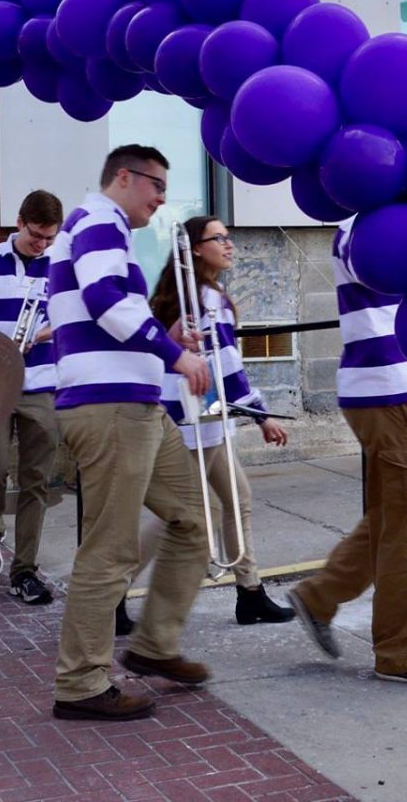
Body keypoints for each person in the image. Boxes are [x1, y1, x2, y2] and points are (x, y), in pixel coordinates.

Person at [49, 145, 215, 722]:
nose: (162, 198)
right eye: (156, 184)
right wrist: (173, 352)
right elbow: (102, 301)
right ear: (125, 176)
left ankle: (154, 647)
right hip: (112, 406)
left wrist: (164, 336)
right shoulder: (100, 221)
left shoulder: (102, 226)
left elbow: (111, 311)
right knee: (111, 548)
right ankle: (81, 683)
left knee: (195, 518)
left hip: (133, 404)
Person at [285, 211, 407, 690]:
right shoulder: (364, 229)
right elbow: (387, 269)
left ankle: (319, 597)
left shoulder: (375, 225)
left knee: (389, 518)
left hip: (388, 389)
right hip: (392, 391)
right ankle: (400, 653)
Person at [145, 215, 294, 626]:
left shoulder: (181, 294)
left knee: (234, 501)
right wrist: (261, 416)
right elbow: (228, 364)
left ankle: (250, 592)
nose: (229, 245)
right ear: (195, 249)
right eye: (219, 239)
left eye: (229, 237)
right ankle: (116, 595)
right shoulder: (208, 299)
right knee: (181, 517)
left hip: (196, 417)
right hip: (198, 418)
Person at [0, 190, 64, 606]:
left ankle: (24, 570)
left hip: (41, 382)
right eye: (36, 235)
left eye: (49, 238)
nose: (42, 245)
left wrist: (45, 331)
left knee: (36, 481)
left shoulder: (61, 265)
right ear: (19, 222)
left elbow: (70, 314)